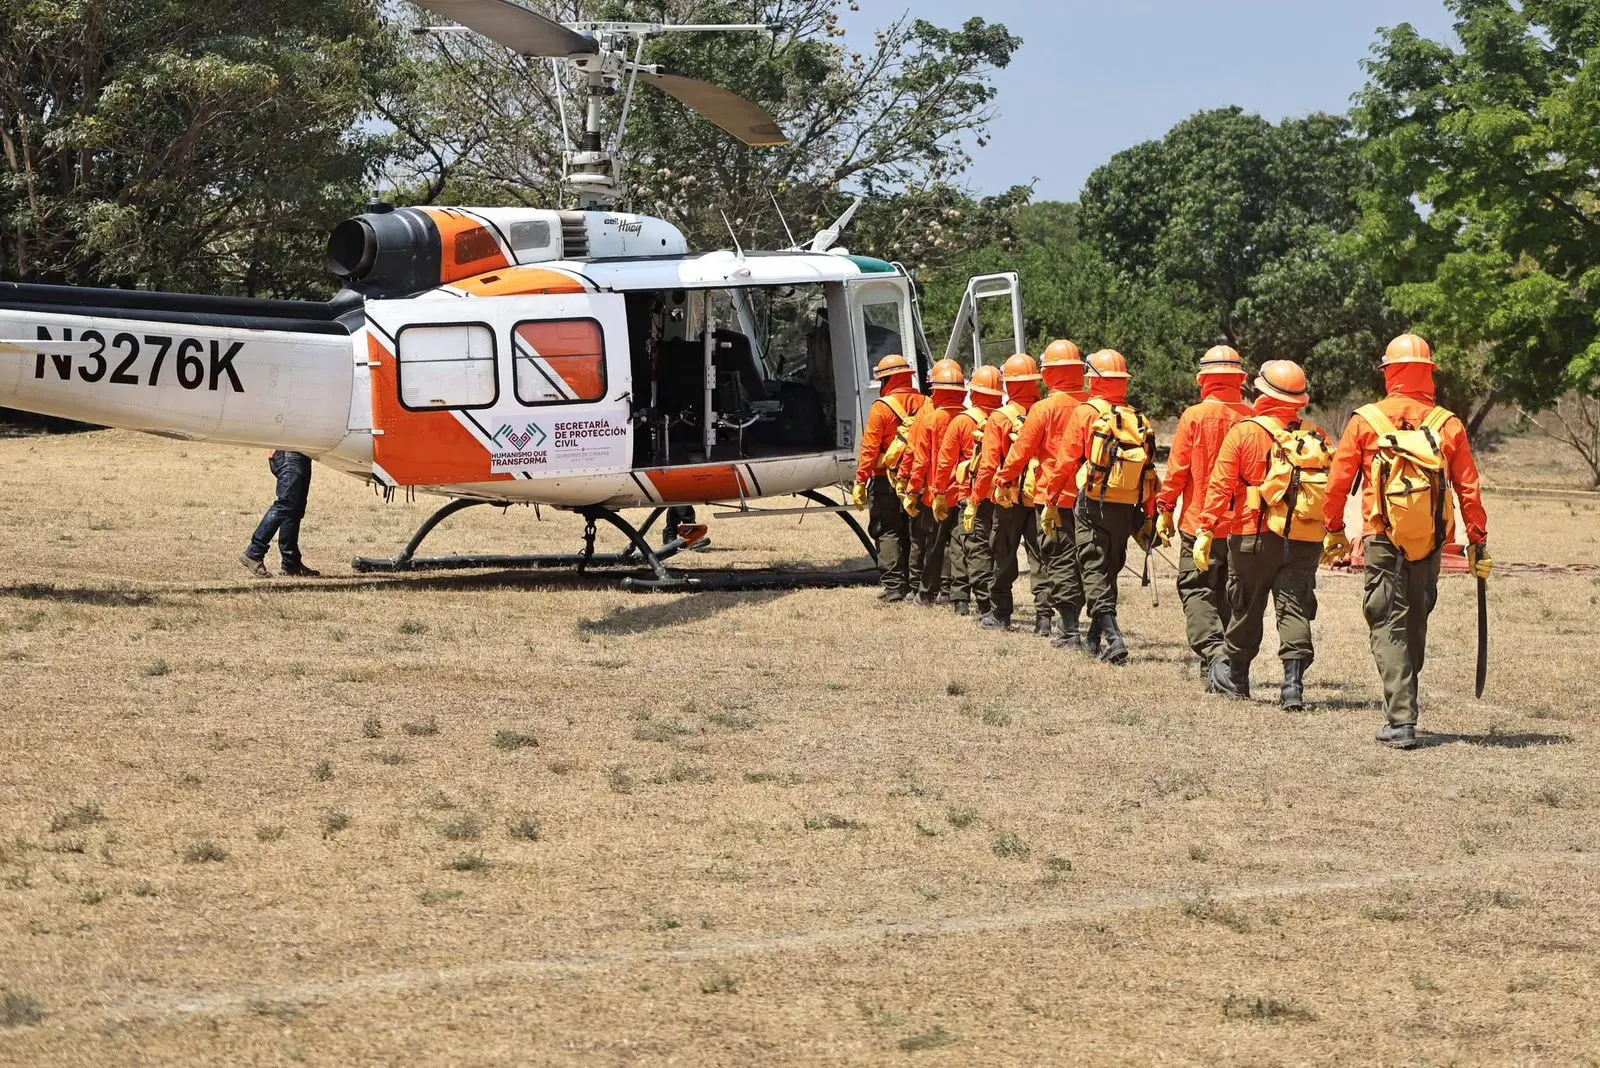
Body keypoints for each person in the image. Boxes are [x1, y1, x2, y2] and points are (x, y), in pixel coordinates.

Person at [1322, 334, 1492, 750]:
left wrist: (1333, 529)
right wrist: (1478, 542)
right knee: (1415, 617)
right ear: (1429, 374)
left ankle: (1401, 719)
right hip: (1432, 541)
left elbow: (1338, 483)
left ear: (1390, 373)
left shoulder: (1366, 421)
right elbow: (1468, 489)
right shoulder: (1448, 423)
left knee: (1386, 621)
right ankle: (1405, 695)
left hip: (1383, 538)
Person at [1191, 361, 1330, 710]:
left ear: (1262, 393)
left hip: (1252, 537)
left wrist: (1206, 528)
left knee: (1245, 608)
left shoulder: (1244, 432)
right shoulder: (1315, 436)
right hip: (1303, 538)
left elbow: (1220, 485)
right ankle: (1293, 687)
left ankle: (1237, 681)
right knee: (1294, 607)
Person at [1046, 350, 1158, 664]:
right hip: (1126, 506)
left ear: (1093, 378)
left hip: (1092, 502)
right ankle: (1095, 638)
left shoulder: (1085, 413)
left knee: (1092, 567)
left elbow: (1065, 461)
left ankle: (1114, 637)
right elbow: (1149, 470)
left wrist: (1052, 500)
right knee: (1109, 568)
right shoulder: (1134, 417)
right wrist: (1149, 514)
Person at [1155, 345, 1256, 676]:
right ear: (1239, 380)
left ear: (1203, 380)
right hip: (1242, 525)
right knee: (1230, 594)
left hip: (1200, 524)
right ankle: (1218, 667)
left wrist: (1165, 507)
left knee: (1197, 588)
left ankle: (1215, 655)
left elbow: (1178, 469)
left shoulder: (1194, 416)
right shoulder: (1253, 417)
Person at [994, 340, 1091, 639]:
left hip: (1053, 497)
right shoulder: (1091, 405)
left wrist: (1003, 479)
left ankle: (1066, 628)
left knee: (1057, 559)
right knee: (1085, 559)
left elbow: (1021, 451)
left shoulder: (1043, 409)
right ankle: (1085, 623)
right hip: (1091, 498)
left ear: (1048, 374)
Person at [972, 354, 1047, 631]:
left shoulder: (1000, 418)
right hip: (1039, 495)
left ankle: (1001, 614)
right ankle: (1044, 619)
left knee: (1002, 554)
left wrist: (976, 498)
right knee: (1040, 556)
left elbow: (988, 464)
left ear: (1009, 383)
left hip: (1007, 498)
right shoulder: (1045, 411)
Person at [851, 353, 927, 602]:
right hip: (918, 479)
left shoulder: (881, 408)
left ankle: (895, 588)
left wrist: (861, 481)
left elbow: (870, 448)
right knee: (917, 531)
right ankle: (918, 586)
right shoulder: (926, 404)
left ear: (887, 380)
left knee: (888, 531)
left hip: (886, 481)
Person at [900, 359, 969, 605]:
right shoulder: (968, 417)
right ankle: (953, 593)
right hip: (962, 492)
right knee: (957, 544)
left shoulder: (930, 419)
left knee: (934, 544)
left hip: (935, 492)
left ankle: (926, 593)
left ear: (935, 389)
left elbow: (919, 460)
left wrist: (912, 490)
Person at [938, 364, 1004, 617]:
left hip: (970, 494)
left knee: (971, 545)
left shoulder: (962, 421)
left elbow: (945, 461)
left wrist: (940, 492)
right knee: (967, 542)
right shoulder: (1005, 418)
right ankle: (961, 599)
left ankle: (980, 602)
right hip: (999, 493)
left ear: (973, 392)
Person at [241, 450, 320, 578]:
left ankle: (291, 562)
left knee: (295, 509)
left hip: (299, 453)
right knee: (285, 505)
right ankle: (254, 552)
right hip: (289, 454)